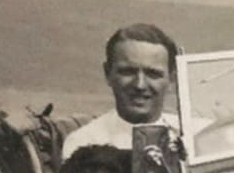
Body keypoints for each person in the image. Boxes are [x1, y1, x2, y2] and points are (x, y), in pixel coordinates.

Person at [62, 23, 180, 163]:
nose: (140, 85)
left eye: (153, 74)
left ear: (172, 79)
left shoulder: (193, 138)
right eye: (128, 72)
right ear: (108, 74)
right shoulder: (84, 143)